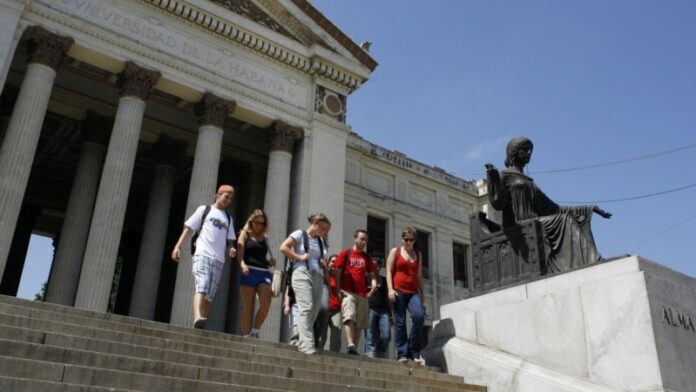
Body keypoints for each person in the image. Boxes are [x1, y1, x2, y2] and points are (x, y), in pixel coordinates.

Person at [485, 137, 612, 272]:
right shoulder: (504, 174)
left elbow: (553, 208)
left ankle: (589, 260)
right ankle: (590, 261)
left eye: (530, 151)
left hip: (534, 222)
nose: (529, 153)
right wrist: (493, 179)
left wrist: (588, 208)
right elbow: (498, 204)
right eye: (525, 149)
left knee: (569, 219)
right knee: (564, 221)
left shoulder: (528, 181)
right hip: (518, 225)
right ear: (514, 152)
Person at [171, 185, 237, 329]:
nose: (228, 201)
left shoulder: (228, 219)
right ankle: (197, 317)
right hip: (202, 253)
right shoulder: (204, 210)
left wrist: (231, 248)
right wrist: (178, 246)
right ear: (217, 195)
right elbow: (189, 229)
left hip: (219, 259)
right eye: (226, 196)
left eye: (231, 199)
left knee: (210, 294)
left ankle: (202, 321)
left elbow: (229, 241)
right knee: (202, 283)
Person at [279, 213, 331, 355]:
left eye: (326, 230)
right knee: (306, 307)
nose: (325, 232)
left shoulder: (320, 241)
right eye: (323, 229)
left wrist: (323, 263)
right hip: (301, 272)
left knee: (314, 310)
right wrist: (299, 257)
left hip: (318, 276)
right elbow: (283, 247)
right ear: (315, 224)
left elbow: (320, 258)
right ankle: (307, 344)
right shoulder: (300, 234)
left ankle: (300, 338)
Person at [333, 229, 378, 355]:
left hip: (362, 293)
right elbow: (337, 270)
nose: (364, 242)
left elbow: (373, 273)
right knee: (349, 316)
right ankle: (350, 343)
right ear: (355, 238)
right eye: (362, 239)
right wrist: (338, 288)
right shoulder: (346, 253)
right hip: (348, 291)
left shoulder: (366, 257)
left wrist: (373, 283)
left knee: (360, 322)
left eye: (366, 240)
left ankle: (353, 349)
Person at [386, 227, 425, 365]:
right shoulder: (395, 251)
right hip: (399, 291)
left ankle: (414, 352)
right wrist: (390, 289)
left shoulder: (418, 254)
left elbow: (419, 276)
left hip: (413, 292)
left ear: (414, 240)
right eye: (406, 239)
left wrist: (423, 295)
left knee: (419, 317)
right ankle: (402, 353)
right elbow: (389, 271)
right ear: (402, 239)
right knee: (400, 322)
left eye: (411, 240)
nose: (409, 242)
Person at [237, 209, 276, 338]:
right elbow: (240, 252)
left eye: (262, 223)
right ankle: (246, 335)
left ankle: (255, 330)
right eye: (257, 222)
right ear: (252, 221)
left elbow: (262, 256)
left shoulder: (265, 238)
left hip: (263, 272)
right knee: (248, 306)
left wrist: (270, 262)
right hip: (248, 271)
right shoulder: (244, 234)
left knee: (266, 303)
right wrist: (242, 264)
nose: (259, 225)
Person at [364, 257, 393, 358]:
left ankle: (380, 351)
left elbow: (387, 299)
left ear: (380, 267)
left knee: (386, 335)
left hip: (383, 311)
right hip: (369, 309)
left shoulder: (384, 281)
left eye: (375, 265)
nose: (373, 267)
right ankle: (370, 352)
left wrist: (390, 315)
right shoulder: (366, 279)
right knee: (369, 332)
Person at [325, 255, 343, 352]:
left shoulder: (340, 278)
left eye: (337, 263)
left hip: (336, 309)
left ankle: (334, 355)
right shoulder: (324, 275)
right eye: (332, 262)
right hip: (324, 308)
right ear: (328, 263)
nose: (334, 264)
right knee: (322, 335)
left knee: (336, 336)